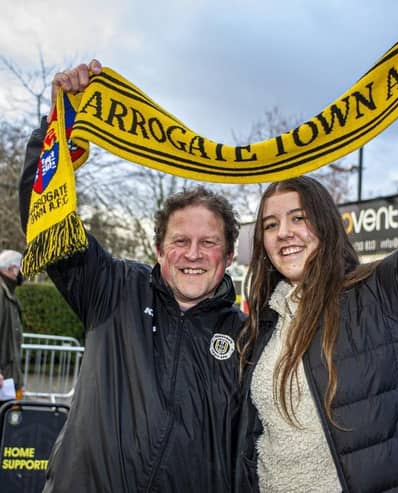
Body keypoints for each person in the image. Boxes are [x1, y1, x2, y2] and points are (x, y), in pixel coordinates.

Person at [236, 19, 398, 492]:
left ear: (326, 227)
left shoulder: (378, 294)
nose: (284, 233)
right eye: (271, 224)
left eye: (299, 217)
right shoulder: (261, 324)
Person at [19, 62, 245, 492]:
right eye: (180, 241)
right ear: (158, 250)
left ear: (230, 255)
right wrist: (58, 126)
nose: (193, 254)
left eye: (209, 243)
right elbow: (43, 218)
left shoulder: (248, 337)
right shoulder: (113, 288)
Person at [0, 249, 25, 404]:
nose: (23, 272)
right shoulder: (2, 294)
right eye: (20, 267)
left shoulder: (9, 293)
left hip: (8, 379)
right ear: (11, 269)